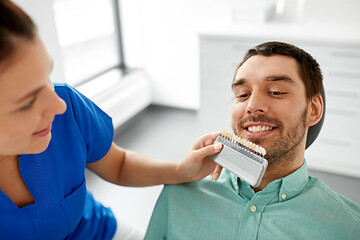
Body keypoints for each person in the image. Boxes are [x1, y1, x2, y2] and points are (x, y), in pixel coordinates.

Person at [0, 1, 224, 239]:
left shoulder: (67, 105)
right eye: (27, 102)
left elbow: (118, 164)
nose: (59, 105)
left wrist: (181, 171)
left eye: (47, 77)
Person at [144, 41, 360, 239]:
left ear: (313, 110)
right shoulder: (179, 195)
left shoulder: (349, 228)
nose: (252, 105)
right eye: (242, 94)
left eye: (275, 91)